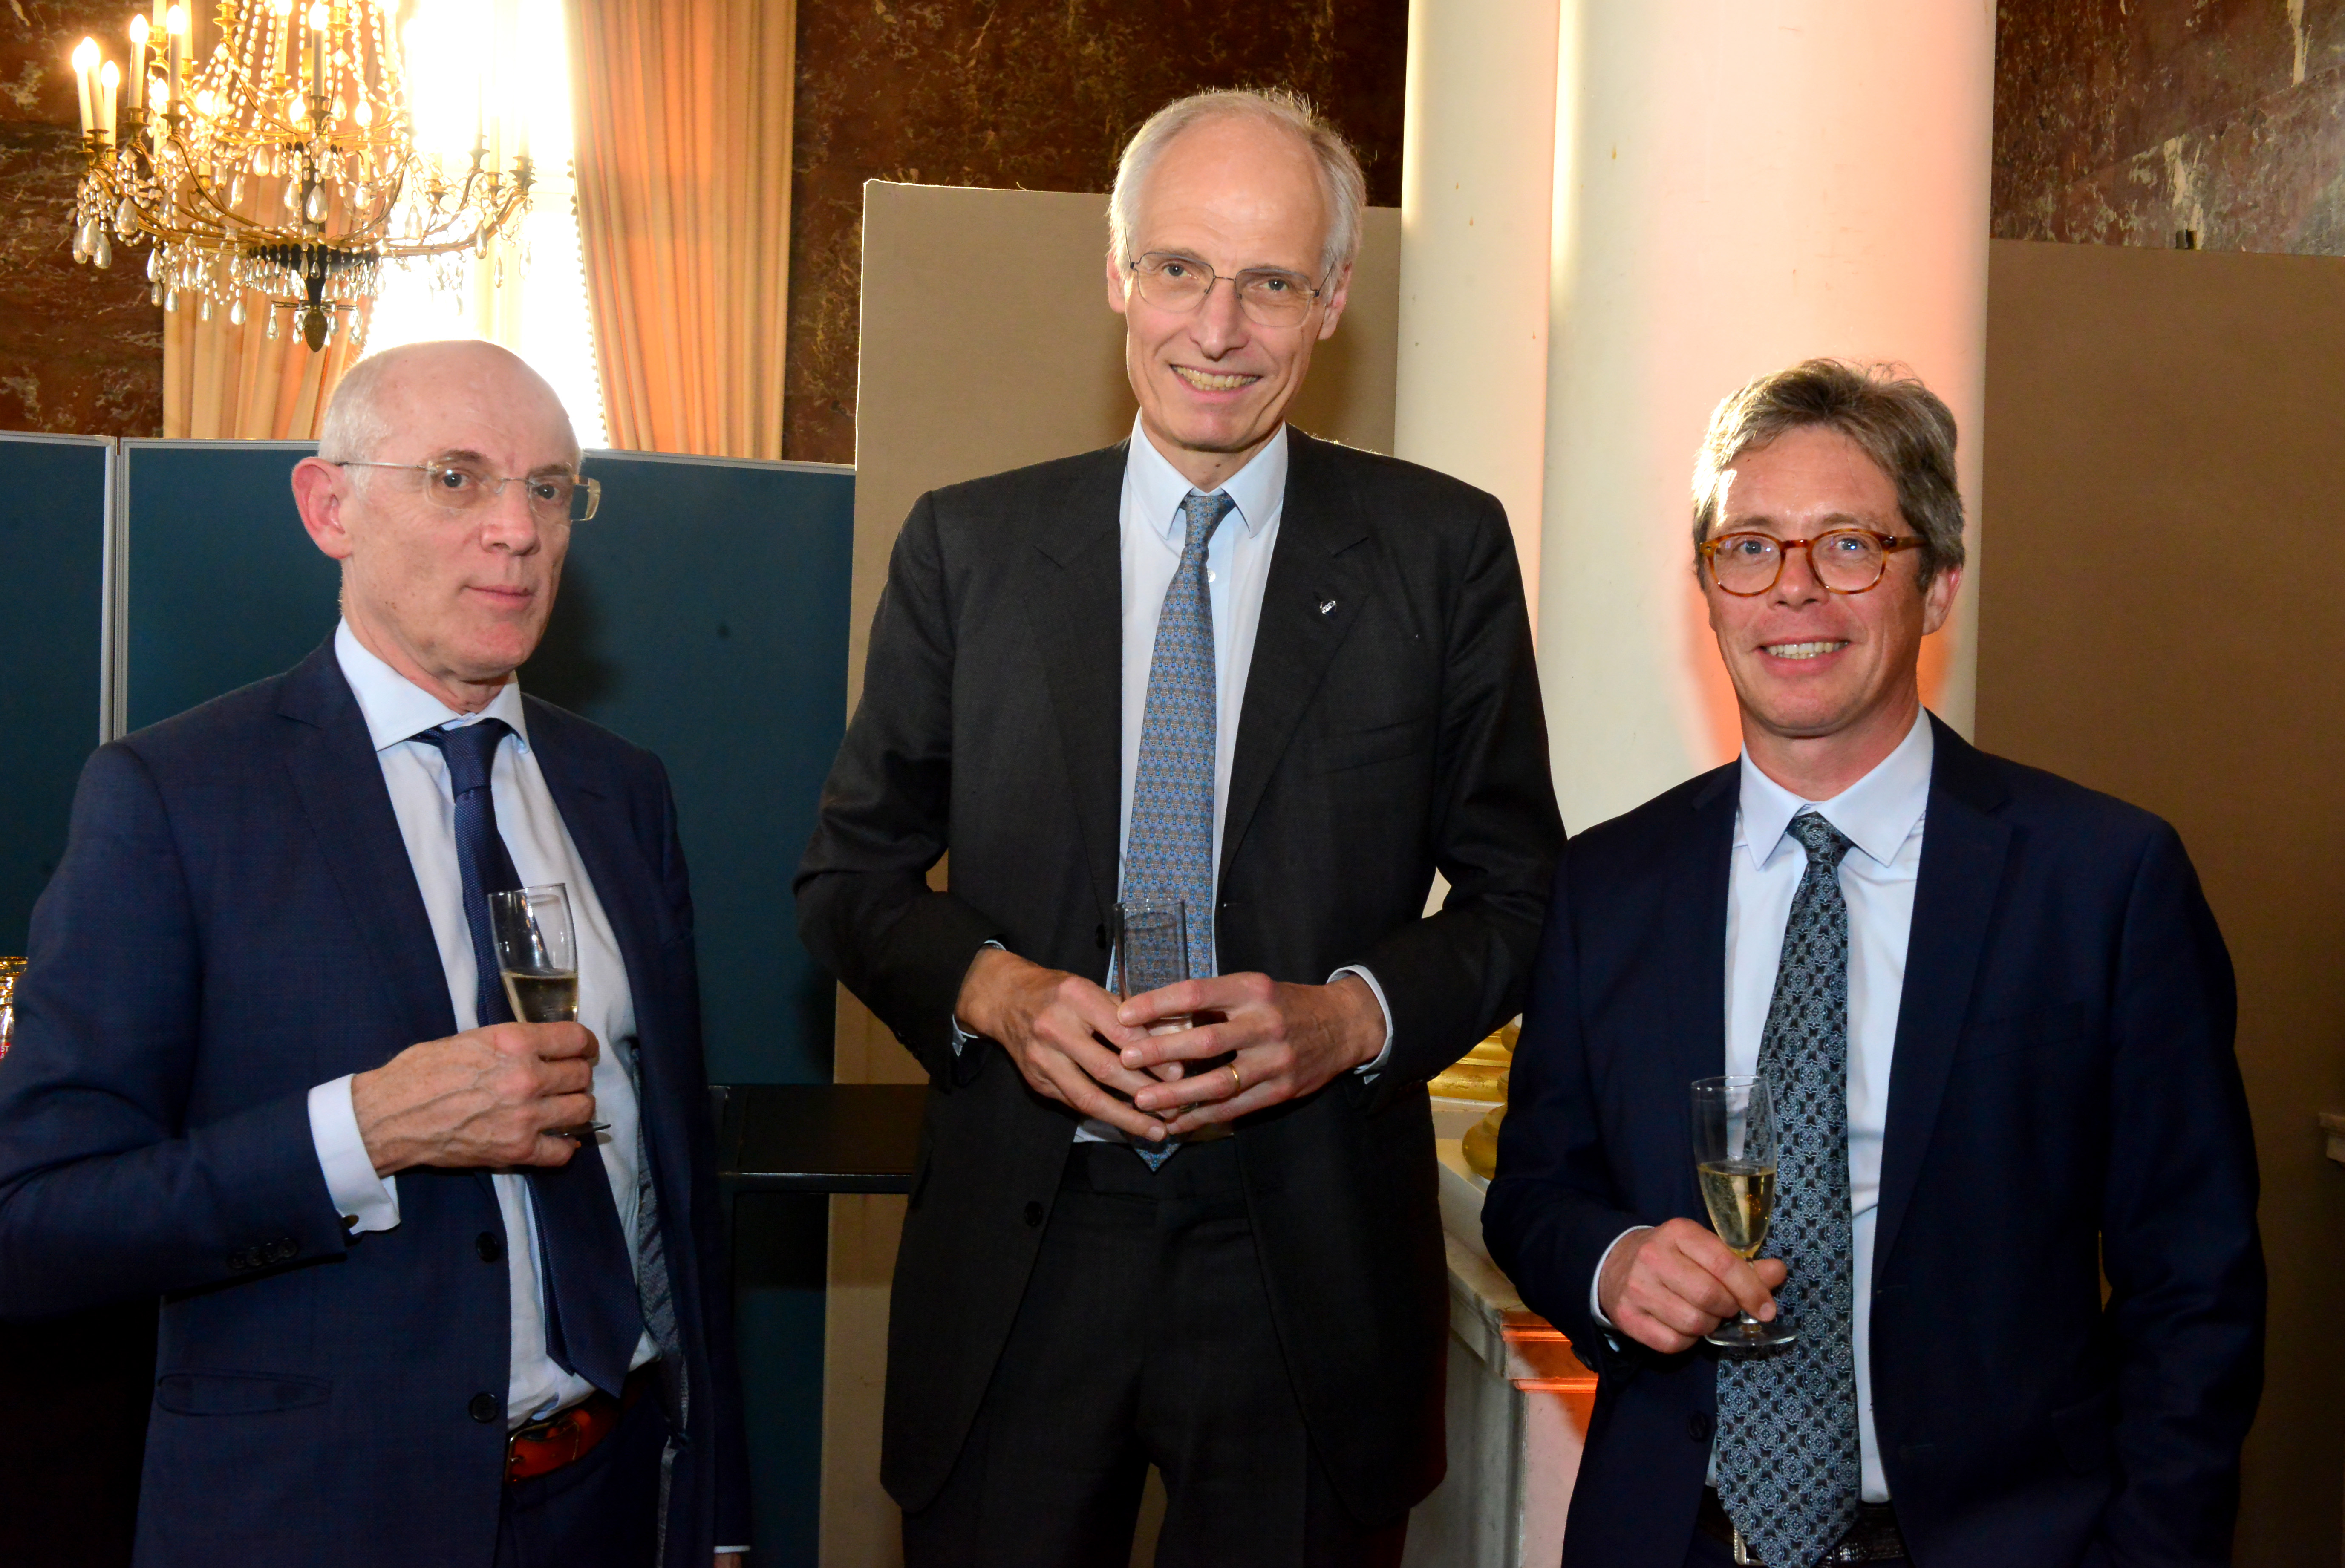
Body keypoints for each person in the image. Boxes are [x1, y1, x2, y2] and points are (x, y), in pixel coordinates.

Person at [796, 88, 1562, 1566]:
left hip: (1309, 1264)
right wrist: (996, 993)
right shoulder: (970, 547)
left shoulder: (1440, 553)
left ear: (1332, 298)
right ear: (1118, 274)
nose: (1218, 328)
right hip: (1025, 1253)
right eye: (1180, 269)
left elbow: (1523, 893)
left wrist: (1351, 1018)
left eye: (1270, 282)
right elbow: (850, 877)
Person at [1483, 359, 2265, 1568]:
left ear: (1938, 584)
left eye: (1849, 546)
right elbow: (1536, 1189)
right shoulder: (1609, 885)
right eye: (1750, 548)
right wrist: (1610, 1262)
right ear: (1709, 592)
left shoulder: (2103, 882)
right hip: (1678, 1536)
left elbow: (2195, 1285)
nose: (1793, 588)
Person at [0, 341, 750, 1568]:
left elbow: (675, 1190)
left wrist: (717, 1512)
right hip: (316, 1515)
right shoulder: (175, 798)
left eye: (550, 488)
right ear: (328, 508)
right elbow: (32, 1224)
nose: (518, 530)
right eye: (456, 478)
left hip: (608, 1502)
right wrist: (363, 1132)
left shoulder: (622, 792)